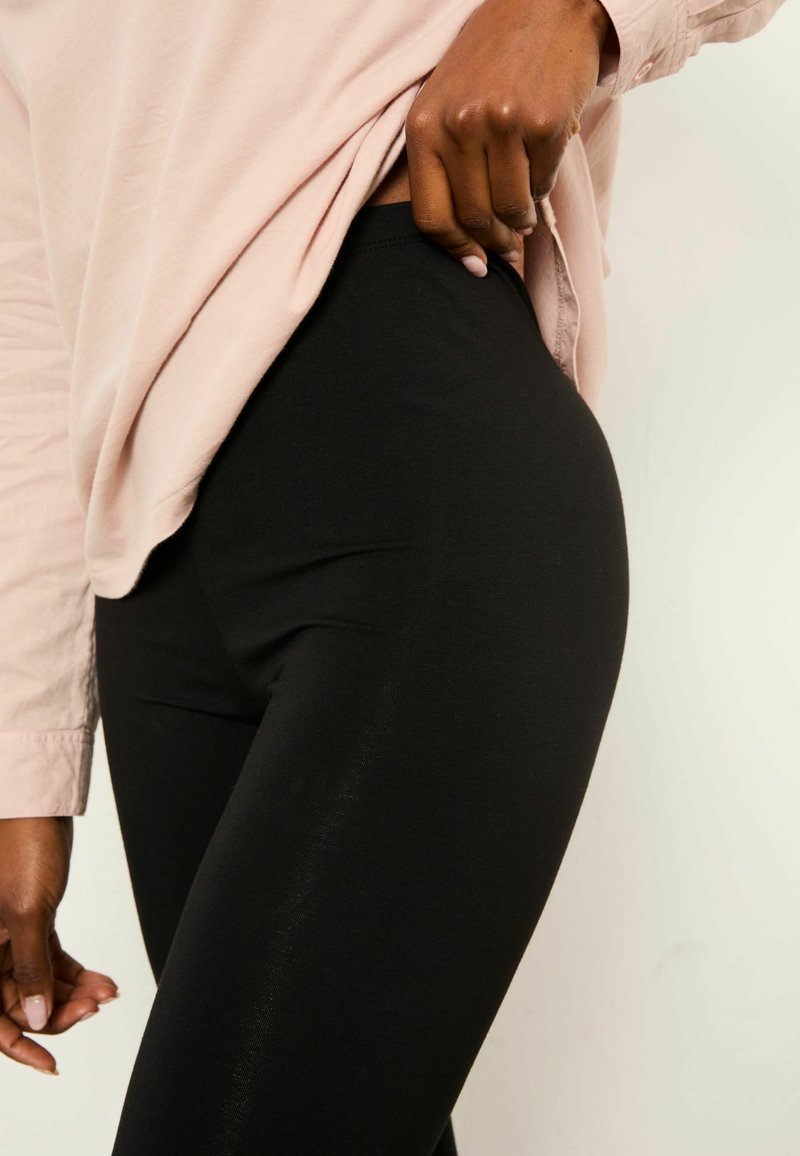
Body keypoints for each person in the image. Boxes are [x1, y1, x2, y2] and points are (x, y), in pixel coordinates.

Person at [0, 0, 785, 1151]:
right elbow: (29, 302)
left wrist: (577, 9)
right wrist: (25, 763)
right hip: (153, 581)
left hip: (412, 467)